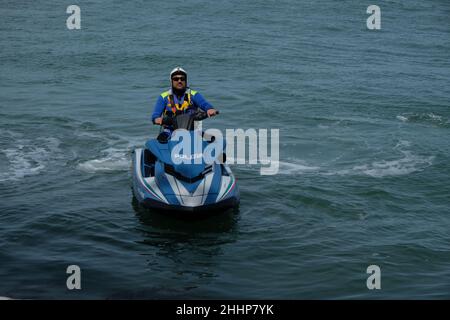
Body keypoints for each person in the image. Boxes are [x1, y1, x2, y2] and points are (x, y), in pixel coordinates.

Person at [151, 67, 217, 139]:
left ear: (186, 81)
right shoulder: (163, 97)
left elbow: (204, 104)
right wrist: (156, 119)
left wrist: (209, 109)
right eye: (176, 79)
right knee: (160, 140)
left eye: (182, 79)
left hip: (193, 131)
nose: (179, 81)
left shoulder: (193, 95)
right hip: (169, 131)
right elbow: (155, 114)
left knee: (213, 140)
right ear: (171, 81)